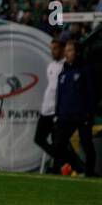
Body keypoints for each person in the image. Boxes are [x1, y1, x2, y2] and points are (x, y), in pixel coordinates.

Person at [54, 38, 97, 177]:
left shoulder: (85, 69)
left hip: (82, 115)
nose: (67, 53)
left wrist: (89, 114)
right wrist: (57, 112)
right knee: (59, 144)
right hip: (65, 115)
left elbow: (92, 93)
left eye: (70, 50)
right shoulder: (64, 72)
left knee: (86, 145)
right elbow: (59, 94)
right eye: (66, 50)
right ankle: (75, 168)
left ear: (77, 52)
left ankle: (89, 173)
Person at [34, 34, 67, 171]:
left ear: (62, 49)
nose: (53, 51)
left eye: (55, 49)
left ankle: (57, 168)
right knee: (38, 138)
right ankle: (63, 160)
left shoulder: (65, 66)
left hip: (57, 112)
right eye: (52, 48)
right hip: (45, 110)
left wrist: (60, 111)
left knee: (56, 141)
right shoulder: (51, 66)